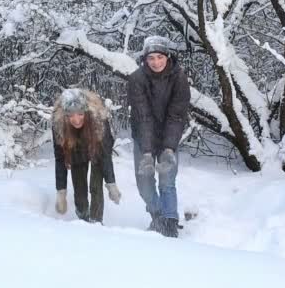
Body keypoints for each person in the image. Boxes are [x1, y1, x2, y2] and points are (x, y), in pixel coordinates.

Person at [127, 35, 191, 238]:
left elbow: (177, 114)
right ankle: (158, 215)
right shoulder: (137, 79)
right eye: (151, 58)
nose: (156, 62)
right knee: (144, 183)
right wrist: (146, 152)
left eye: (159, 57)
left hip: (168, 136)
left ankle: (170, 224)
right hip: (143, 135)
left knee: (167, 181)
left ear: (167, 56)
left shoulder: (179, 77)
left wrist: (169, 148)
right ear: (145, 59)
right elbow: (142, 116)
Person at [52, 88, 121, 223]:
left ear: (86, 111)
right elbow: (60, 158)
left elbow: (105, 154)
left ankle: (96, 221)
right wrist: (61, 192)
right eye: (70, 115)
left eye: (80, 114)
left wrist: (111, 183)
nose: (76, 120)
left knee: (96, 186)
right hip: (75, 149)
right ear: (65, 115)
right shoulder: (59, 123)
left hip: (96, 147)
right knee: (80, 192)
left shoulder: (98, 119)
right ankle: (83, 219)